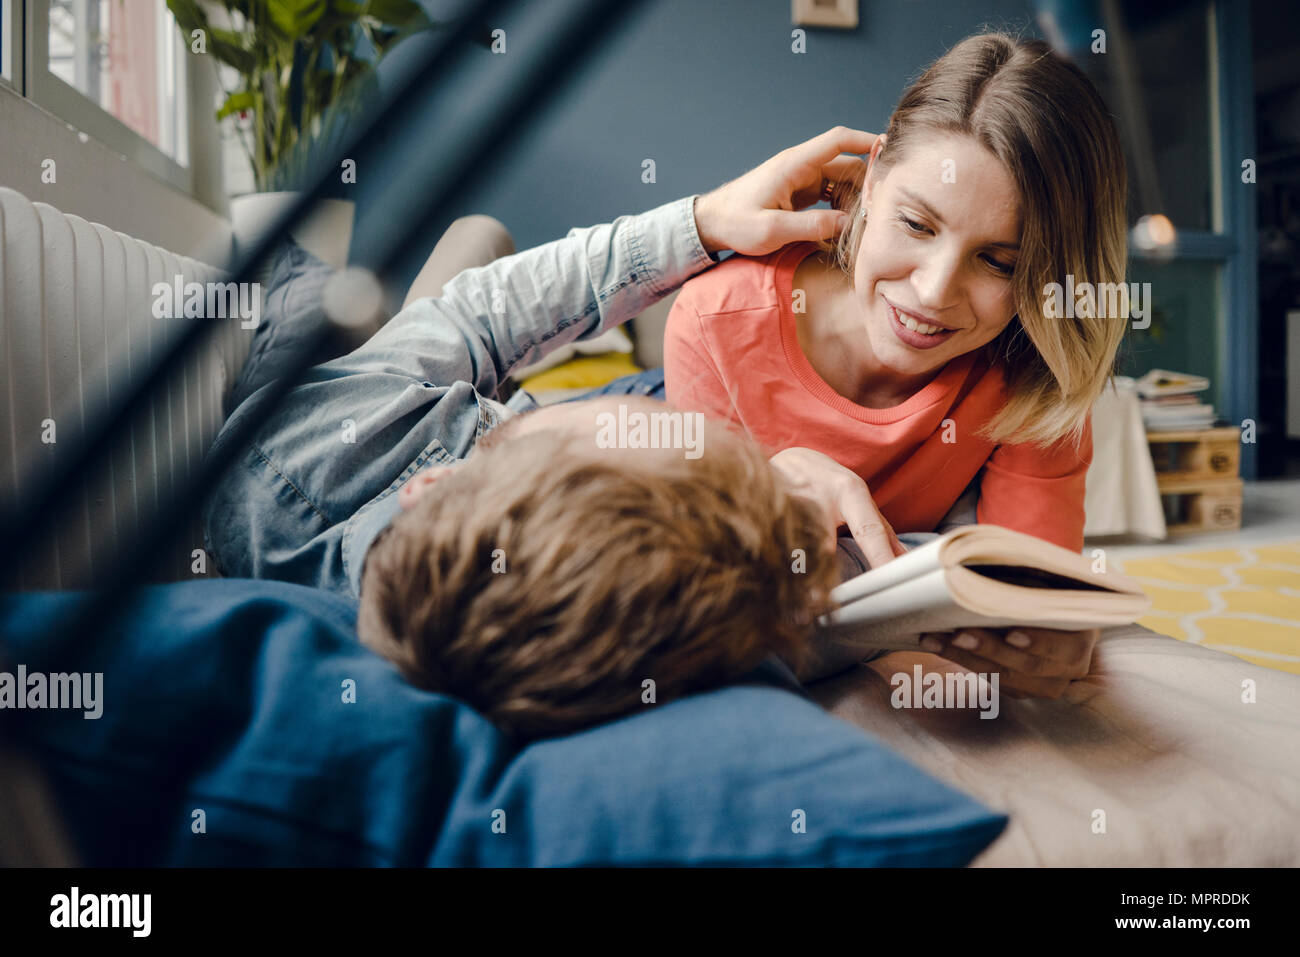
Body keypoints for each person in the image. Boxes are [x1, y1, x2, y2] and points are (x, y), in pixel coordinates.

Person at [204, 128, 900, 741]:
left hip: (367, 402)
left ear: (439, 480)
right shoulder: (661, 624)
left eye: (640, 428)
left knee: (474, 239)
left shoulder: (290, 463)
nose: (672, 422)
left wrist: (707, 221)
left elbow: (483, 311)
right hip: (485, 442)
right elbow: (817, 618)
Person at [662, 33, 1128, 691]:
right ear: (874, 179)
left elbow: (1035, 588)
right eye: (917, 224)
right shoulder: (717, 318)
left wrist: (1057, 638)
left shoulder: (1032, 375)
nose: (934, 292)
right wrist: (757, 489)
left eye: (998, 261)